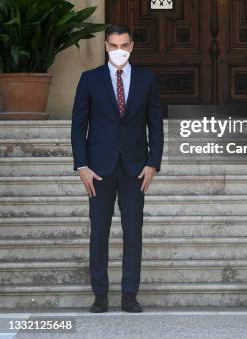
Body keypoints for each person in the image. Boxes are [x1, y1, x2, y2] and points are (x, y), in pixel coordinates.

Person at [71, 24, 164, 313]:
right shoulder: (89, 80)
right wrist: (82, 165)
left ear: (132, 46)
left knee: (132, 233)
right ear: (106, 47)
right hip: (98, 169)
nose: (119, 50)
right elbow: (78, 126)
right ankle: (100, 295)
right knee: (99, 233)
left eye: (124, 45)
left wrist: (153, 163)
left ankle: (129, 296)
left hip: (135, 168)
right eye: (114, 45)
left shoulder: (147, 79)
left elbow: (156, 125)